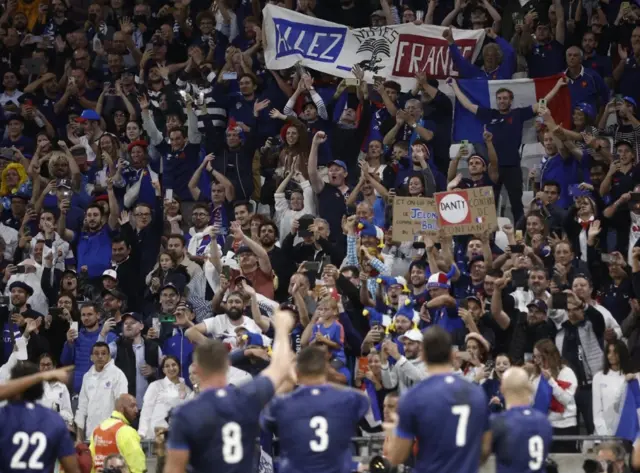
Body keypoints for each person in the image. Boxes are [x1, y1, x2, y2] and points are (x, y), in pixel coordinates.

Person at [163, 309, 296, 473]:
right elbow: (281, 367)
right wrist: (282, 329)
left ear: (196, 370)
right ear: (227, 366)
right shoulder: (247, 397)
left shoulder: (183, 414)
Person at [385, 326, 491, 472]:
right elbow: (485, 447)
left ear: (423, 356)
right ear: (451, 355)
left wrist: (392, 432)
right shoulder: (476, 393)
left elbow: (397, 457)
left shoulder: (412, 397)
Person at [261, 345, 369, 473]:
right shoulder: (346, 398)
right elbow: (364, 401)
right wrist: (327, 382)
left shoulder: (283, 403)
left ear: (297, 372)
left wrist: (289, 381)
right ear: (326, 369)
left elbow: (264, 419)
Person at [0, 361, 80, 473]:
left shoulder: (3, 416)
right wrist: (42, 377)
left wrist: (40, 376)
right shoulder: (54, 420)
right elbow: (73, 470)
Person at [490, 367, 553, 473]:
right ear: (529, 388)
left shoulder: (499, 421)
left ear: (502, 389)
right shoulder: (545, 422)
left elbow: (481, 454)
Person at [89, 393, 146, 473]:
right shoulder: (126, 431)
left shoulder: (97, 430)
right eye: (132, 406)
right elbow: (138, 465)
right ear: (121, 408)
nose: (136, 410)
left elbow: (91, 463)